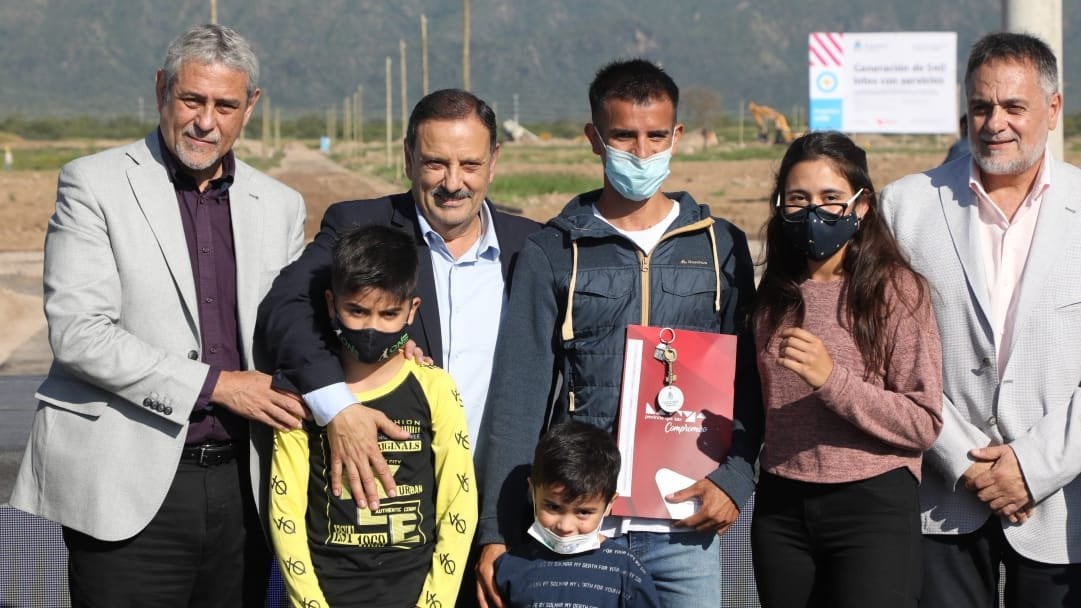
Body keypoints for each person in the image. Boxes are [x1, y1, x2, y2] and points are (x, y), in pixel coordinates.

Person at [10, 24, 307, 607]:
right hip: (126, 485)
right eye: (192, 100)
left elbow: (295, 330)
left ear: (251, 106)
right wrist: (219, 385)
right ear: (160, 91)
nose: (206, 122)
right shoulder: (93, 184)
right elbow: (80, 334)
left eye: (225, 105)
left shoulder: (280, 205)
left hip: (245, 486)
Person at [474, 58, 762, 608]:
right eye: (624, 137)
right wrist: (495, 529)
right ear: (594, 138)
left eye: (656, 136)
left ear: (677, 135)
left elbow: (745, 378)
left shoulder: (721, 246)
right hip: (579, 522)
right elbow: (519, 393)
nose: (643, 152)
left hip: (686, 520)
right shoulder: (554, 250)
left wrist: (736, 479)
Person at [256, 87, 539, 606]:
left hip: (503, 524)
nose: (453, 183)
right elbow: (285, 310)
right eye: (435, 163)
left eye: (470, 163)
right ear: (408, 157)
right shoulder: (357, 226)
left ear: (494, 161)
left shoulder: (535, 246)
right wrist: (334, 402)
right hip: (393, 531)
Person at [881, 32, 1081, 607]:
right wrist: (964, 461)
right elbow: (884, 353)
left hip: (1061, 506)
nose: (995, 122)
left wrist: (1032, 468)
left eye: (1014, 107)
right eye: (981, 106)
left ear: (1053, 108)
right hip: (941, 500)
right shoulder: (905, 207)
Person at [750, 131, 943, 607]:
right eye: (799, 199)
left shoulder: (896, 290)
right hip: (782, 507)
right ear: (780, 205)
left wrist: (831, 379)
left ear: (861, 207)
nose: (814, 212)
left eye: (831, 199)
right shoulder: (772, 294)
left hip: (872, 506)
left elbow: (923, 421)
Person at [269, 224, 476, 608]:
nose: (371, 327)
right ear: (332, 304)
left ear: (412, 309)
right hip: (327, 594)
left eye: (389, 313)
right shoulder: (303, 396)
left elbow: (458, 502)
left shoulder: (436, 389)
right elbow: (286, 514)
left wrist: (436, 602)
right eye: (357, 311)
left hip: (415, 594)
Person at [494, 421, 660, 607]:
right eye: (553, 507)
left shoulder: (628, 571)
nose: (565, 527)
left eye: (583, 512)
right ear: (532, 491)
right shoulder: (510, 566)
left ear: (608, 505)